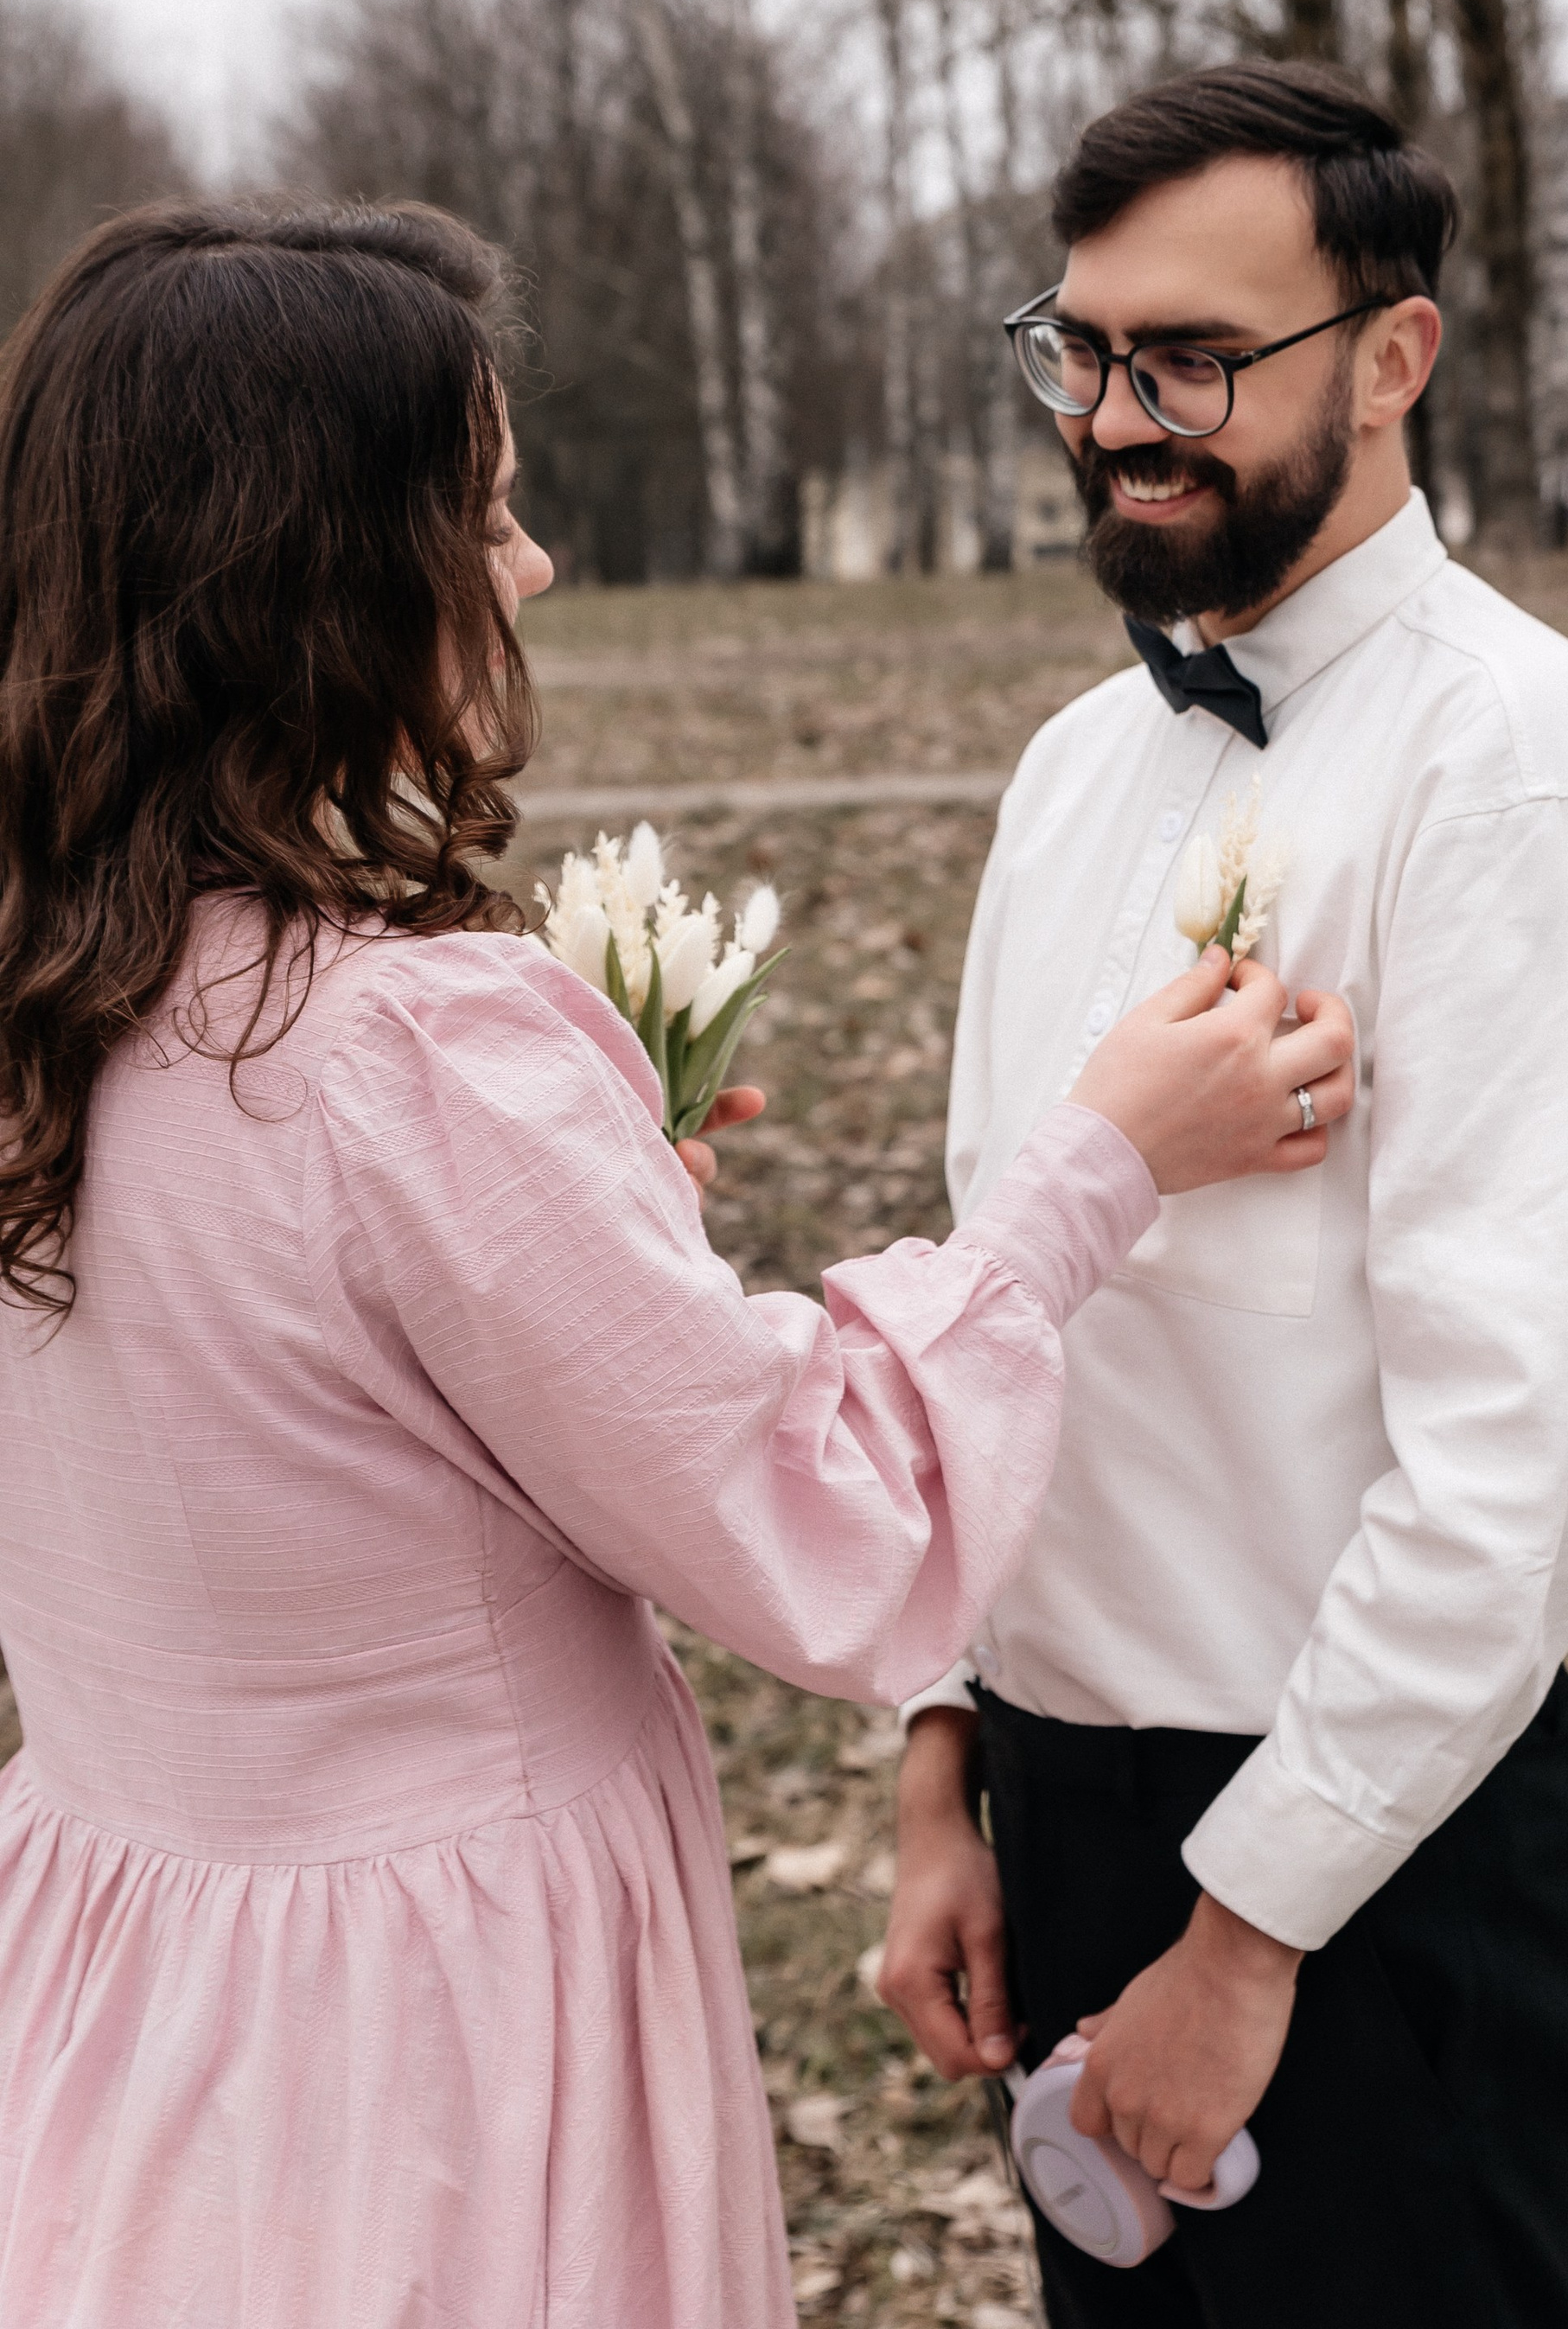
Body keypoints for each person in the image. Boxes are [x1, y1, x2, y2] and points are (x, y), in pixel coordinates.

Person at [0, 199, 1357, 2329]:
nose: (527, 567)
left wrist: (587, 1223)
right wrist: (1096, 1166)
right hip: (428, 2028)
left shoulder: (42, 1007)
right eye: (490, 509)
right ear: (326, 566)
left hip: (115, 1981)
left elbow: (271, 1398)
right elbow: (810, 1512)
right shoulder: (415, 1053)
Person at [881, 64, 1568, 2327]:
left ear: (1392, 359)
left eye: (1192, 362)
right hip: (1066, 1830)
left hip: (1371, 1876)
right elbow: (1005, 1292)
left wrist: (1249, 1926)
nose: (1120, 418)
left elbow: (1519, 1469)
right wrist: (947, 1767)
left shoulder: (1533, 778)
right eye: (1081, 353)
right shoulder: (1073, 772)